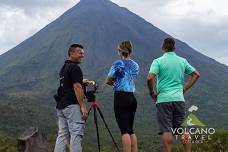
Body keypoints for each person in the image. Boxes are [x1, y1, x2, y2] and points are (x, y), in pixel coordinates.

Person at [147, 37, 200, 152]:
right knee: (182, 129)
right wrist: (184, 89)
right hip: (179, 99)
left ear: (163, 47)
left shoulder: (158, 61)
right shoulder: (182, 61)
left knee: (167, 130)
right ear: (174, 48)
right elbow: (196, 74)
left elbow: (150, 77)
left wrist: (152, 92)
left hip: (163, 100)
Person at [105, 40, 139, 152]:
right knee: (131, 129)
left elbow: (108, 80)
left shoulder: (117, 64)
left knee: (124, 130)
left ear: (120, 51)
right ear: (131, 50)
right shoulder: (135, 65)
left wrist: (115, 82)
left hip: (121, 97)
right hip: (132, 98)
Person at [54, 44, 88, 152]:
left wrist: (81, 82)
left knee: (62, 136)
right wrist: (82, 106)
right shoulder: (75, 68)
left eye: (83, 53)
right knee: (76, 134)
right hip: (72, 106)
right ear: (71, 53)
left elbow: (68, 84)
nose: (82, 55)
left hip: (61, 106)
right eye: (80, 53)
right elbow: (77, 87)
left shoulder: (64, 67)